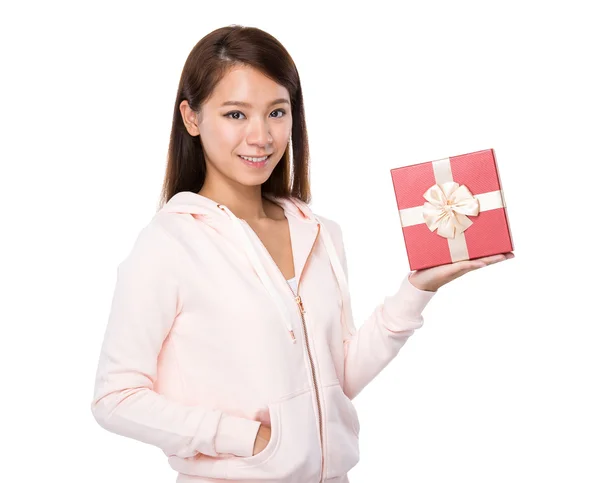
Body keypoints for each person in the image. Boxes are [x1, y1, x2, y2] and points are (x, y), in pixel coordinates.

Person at [90, 24, 514, 483]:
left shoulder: (319, 232)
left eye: (277, 112)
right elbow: (115, 398)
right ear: (192, 119)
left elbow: (337, 379)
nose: (261, 136)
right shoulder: (170, 244)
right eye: (236, 114)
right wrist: (246, 438)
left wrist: (418, 287)